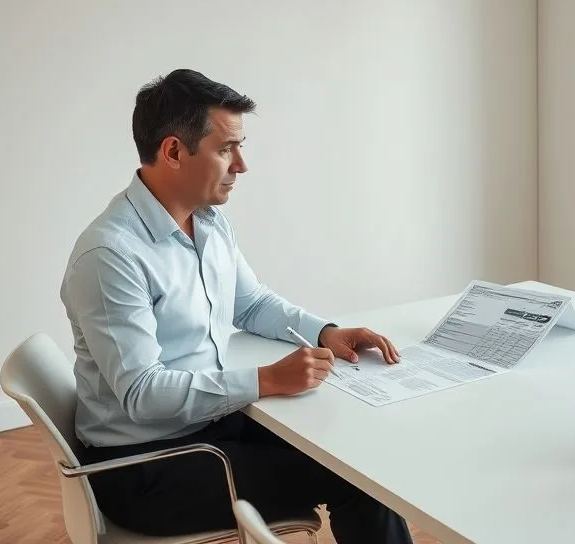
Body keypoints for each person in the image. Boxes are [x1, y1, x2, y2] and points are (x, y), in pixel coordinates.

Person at [60, 69, 413, 543]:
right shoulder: (111, 255)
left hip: (207, 430)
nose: (241, 165)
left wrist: (325, 331)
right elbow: (142, 395)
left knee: (359, 457)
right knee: (362, 482)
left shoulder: (205, 221)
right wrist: (266, 380)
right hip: (147, 468)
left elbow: (249, 303)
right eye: (226, 148)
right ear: (173, 152)